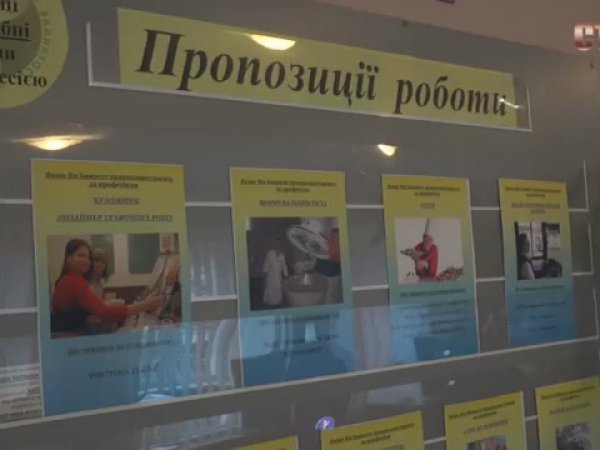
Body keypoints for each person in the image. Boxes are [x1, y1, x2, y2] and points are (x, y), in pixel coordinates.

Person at [51, 239, 164, 336]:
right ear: (68, 258)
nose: (86, 261)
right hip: (71, 337)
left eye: (88, 257)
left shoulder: (69, 279)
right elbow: (105, 313)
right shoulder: (73, 281)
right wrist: (146, 304)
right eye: (80, 256)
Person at [262, 237, 288, 307]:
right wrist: (264, 273)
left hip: (278, 276)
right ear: (274, 244)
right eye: (276, 243)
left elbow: (284, 266)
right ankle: (270, 303)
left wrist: (286, 275)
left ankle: (277, 302)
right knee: (270, 290)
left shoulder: (282, 255)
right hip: (270, 276)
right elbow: (266, 264)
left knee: (278, 289)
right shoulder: (269, 253)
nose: (278, 245)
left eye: (279, 243)